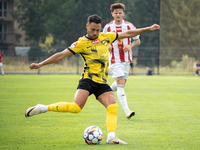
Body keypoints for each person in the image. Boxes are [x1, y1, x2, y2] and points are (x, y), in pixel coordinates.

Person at [25, 14, 160, 144]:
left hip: (101, 83)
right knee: (76, 108)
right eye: (92, 29)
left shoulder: (106, 37)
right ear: (87, 26)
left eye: (97, 30)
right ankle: (42, 108)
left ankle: (111, 137)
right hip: (87, 80)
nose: (95, 32)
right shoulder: (81, 43)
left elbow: (128, 33)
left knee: (112, 106)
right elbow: (61, 55)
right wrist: (41, 64)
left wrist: (148, 28)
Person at [103, 3, 141, 119]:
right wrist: (107, 46)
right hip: (114, 60)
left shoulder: (129, 26)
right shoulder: (108, 27)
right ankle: (127, 111)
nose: (118, 15)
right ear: (112, 14)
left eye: (120, 13)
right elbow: (102, 41)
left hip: (126, 60)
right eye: (116, 13)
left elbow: (137, 41)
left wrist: (130, 45)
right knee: (121, 84)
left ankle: (105, 91)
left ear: (123, 13)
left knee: (122, 83)